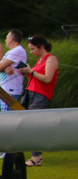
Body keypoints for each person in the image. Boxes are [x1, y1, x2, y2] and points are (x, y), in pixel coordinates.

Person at [20, 35, 59, 167]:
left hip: (41, 95)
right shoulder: (40, 60)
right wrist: (27, 72)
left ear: (41, 46)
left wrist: (31, 71)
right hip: (31, 93)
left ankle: (36, 157)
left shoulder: (51, 59)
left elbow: (47, 78)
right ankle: (36, 155)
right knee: (31, 124)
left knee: (34, 125)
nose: (31, 52)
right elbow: (36, 77)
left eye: (32, 49)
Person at [0, 29, 27, 111]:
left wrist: (0, 67)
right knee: (11, 114)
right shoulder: (14, 51)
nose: (5, 40)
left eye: (7, 37)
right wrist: (2, 67)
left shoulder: (17, 50)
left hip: (10, 90)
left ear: (11, 39)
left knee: (7, 117)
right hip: (6, 89)